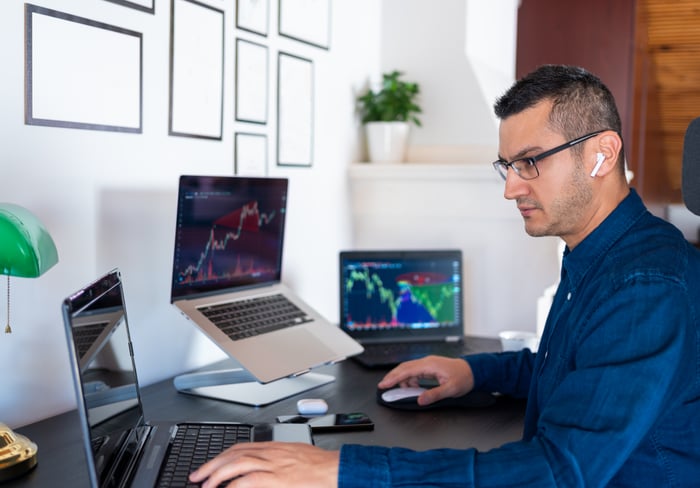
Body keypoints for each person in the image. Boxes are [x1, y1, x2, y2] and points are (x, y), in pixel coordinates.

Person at [189, 65, 700, 487]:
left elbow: (558, 472)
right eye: (508, 166)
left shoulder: (645, 283)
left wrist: (341, 470)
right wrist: (475, 372)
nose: (510, 189)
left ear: (602, 155)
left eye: (529, 162)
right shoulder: (601, 252)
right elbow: (579, 368)